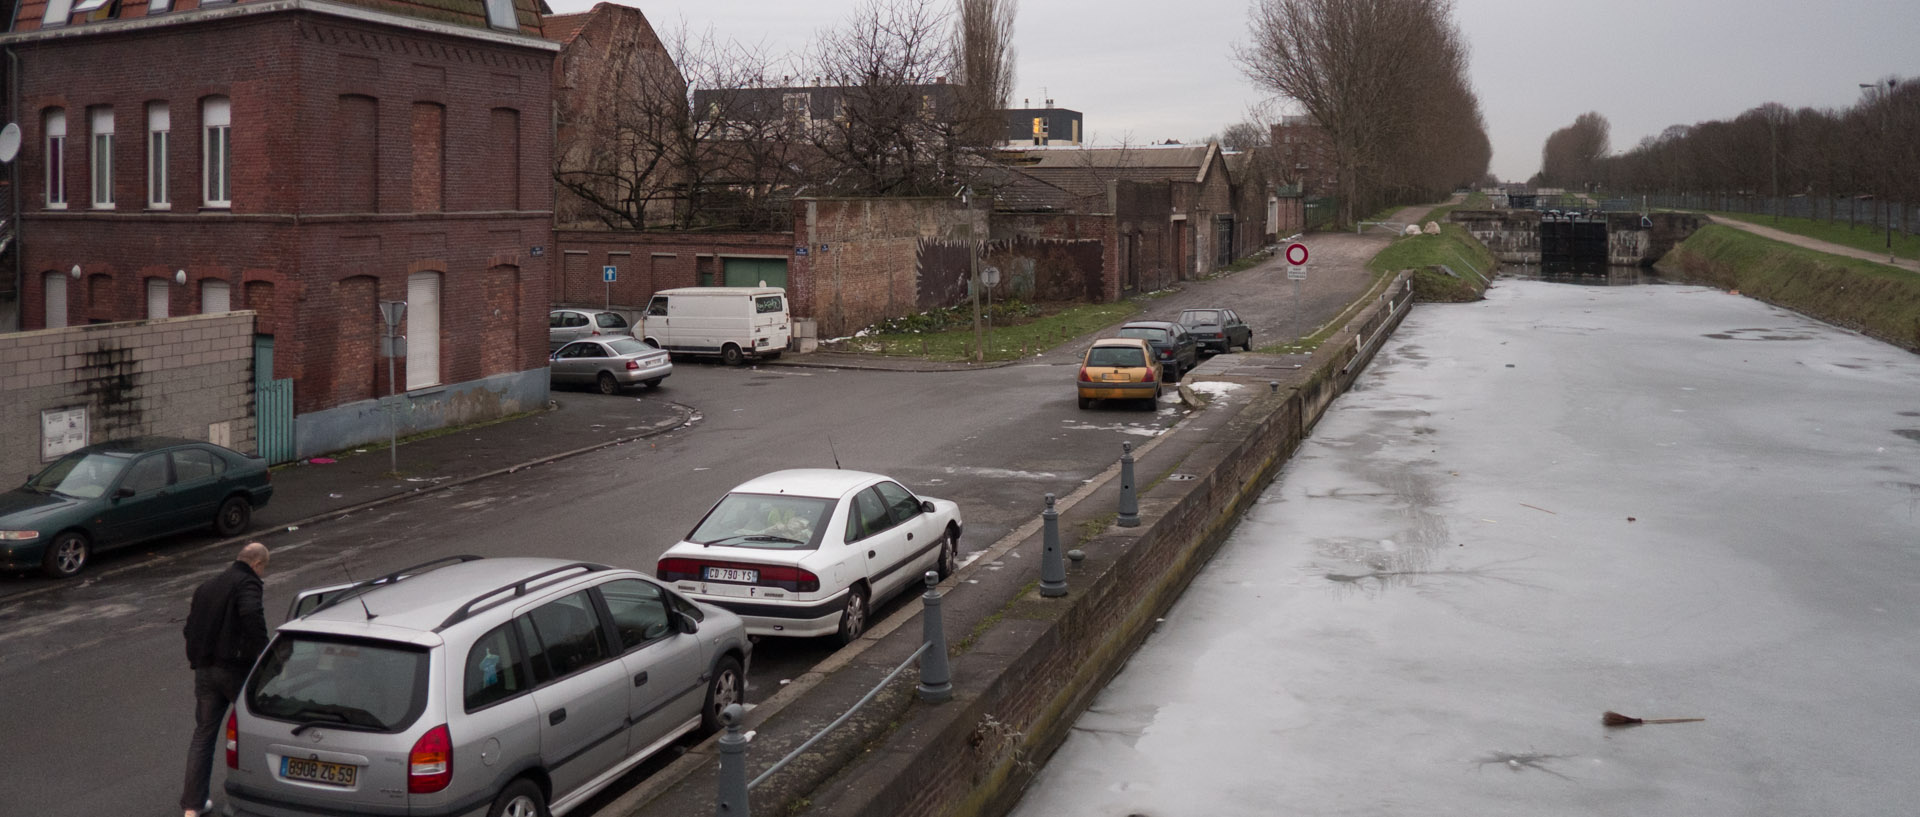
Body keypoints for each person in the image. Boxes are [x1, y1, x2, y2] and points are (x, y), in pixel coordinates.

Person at [179, 542, 270, 817]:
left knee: (203, 735)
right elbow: (251, 613)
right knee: (258, 729)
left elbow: (188, 628)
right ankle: (261, 796)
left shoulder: (207, 586)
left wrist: (198, 656)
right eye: (263, 569)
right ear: (257, 565)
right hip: (234, 669)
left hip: (204, 670)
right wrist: (263, 651)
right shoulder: (248, 583)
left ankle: (192, 807)